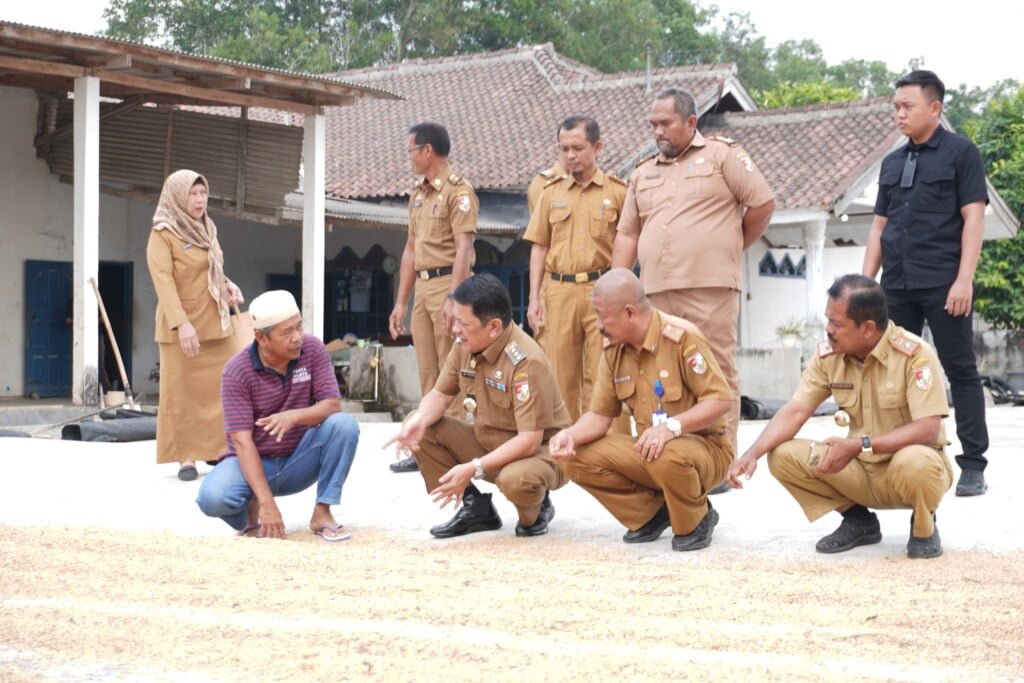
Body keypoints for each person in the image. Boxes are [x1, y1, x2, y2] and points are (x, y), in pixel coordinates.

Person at [612, 88, 776, 492]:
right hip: (654, 291)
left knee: (715, 369)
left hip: (709, 286)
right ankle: (670, 458)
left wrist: (729, 246)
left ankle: (720, 463)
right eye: (653, 124)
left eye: (665, 123)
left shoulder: (721, 156)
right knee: (662, 373)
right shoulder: (643, 172)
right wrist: (616, 285)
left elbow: (762, 204)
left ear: (690, 122)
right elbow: (628, 233)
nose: (657, 131)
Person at [728, 275, 952, 559]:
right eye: (828, 320)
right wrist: (752, 454)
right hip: (859, 471)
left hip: (907, 470)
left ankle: (923, 525)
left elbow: (928, 430)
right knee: (782, 455)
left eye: (836, 324)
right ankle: (859, 521)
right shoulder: (829, 356)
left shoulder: (915, 355)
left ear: (867, 328)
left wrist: (859, 446)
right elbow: (796, 410)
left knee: (915, 462)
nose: (828, 330)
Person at [862, 70, 990, 497]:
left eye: (908, 106)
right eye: (896, 107)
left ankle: (973, 464)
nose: (899, 114)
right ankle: (895, 454)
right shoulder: (892, 162)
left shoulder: (961, 153)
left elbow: (974, 218)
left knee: (960, 369)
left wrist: (964, 279)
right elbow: (879, 227)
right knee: (891, 372)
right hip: (897, 284)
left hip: (943, 281)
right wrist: (865, 286)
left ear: (934, 108)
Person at [549, 269, 733, 551]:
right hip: (651, 449)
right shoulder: (614, 351)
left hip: (706, 449)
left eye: (603, 317)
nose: (599, 326)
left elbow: (720, 400)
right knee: (575, 457)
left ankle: (697, 518)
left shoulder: (682, 338)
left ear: (630, 313)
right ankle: (651, 513)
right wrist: (568, 436)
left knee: (665, 453)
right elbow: (599, 416)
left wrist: (671, 428)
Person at [384, 273, 570, 538]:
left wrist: (474, 467)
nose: (454, 330)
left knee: (515, 480)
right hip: (490, 441)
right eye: (455, 320)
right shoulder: (465, 345)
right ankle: (476, 508)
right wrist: (417, 423)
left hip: (539, 453)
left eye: (462, 323)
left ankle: (539, 502)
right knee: (420, 424)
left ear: (493, 327)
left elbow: (529, 440)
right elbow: (440, 396)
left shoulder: (526, 361)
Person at [196, 290, 360, 540]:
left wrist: (292, 416)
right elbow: (242, 441)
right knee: (212, 497)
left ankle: (322, 512)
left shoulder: (313, 349)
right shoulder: (236, 372)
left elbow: (332, 405)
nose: (297, 337)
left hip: (299, 458)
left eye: (299, 326)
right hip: (254, 464)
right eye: (287, 332)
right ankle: (250, 515)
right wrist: (267, 502)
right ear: (261, 338)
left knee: (344, 425)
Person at [524, 116, 627, 421]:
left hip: (602, 290)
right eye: (564, 148)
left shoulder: (618, 193)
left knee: (605, 370)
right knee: (559, 375)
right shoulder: (550, 193)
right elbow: (539, 246)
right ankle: (563, 445)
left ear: (597, 147)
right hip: (559, 291)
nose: (570, 155)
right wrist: (533, 298)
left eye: (578, 148)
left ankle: (607, 446)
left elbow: (629, 244)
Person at [388, 122, 478, 474]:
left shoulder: (459, 192)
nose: (409, 157)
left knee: (450, 372)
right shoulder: (417, 194)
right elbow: (410, 250)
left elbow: (463, 248)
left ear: (428, 150)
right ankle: (427, 446)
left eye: (411, 150)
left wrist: (455, 298)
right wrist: (401, 302)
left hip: (448, 286)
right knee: (427, 371)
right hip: (423, 290)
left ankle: (455, 447)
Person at [146, 170, 244, 481]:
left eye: (203, 193)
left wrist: (227, 285)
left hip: (216, 322)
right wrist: (182, 324)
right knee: (182, 393)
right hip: (182, 327)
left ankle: (217, 449)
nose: (200, 200)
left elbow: (212, 269)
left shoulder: (207, 228)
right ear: (177, 196)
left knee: (223, 388)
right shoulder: (163, 234)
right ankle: (185, 457)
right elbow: (163, 282)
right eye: (193, 194)